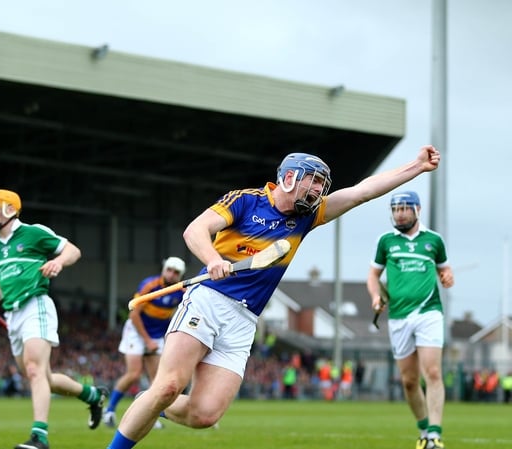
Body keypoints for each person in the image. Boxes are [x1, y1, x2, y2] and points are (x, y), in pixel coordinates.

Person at [104, 145, 442, 449]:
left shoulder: (306, 217)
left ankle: (145, 401)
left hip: (244, 321)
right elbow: (195, 230)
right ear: (289, 176)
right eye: (312, 181)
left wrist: (415, 166)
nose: (318, 190)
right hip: (208, 299)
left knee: (204, 414)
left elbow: (361, 193)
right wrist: (213, 260)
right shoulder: (244, 200)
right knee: (169, 386)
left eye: (322, 184)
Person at [0, 189, 108, 449]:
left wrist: (58, 262)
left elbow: (73, 251)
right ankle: (92, 395)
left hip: (35, 305)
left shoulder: (33, 233)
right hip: (12, 315)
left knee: (35, 370)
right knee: (42, 378)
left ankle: (40, 437)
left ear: (10, 208)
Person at [367, 190, 454, 449]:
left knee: (434, 373)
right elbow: (373, 276)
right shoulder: (386, 242)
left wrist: (448, 276)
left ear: (417, 210)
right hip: (399, 317)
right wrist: (375, 296)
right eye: (395, 209)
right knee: (409, 380)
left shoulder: (434, 241)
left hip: (429, 312)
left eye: (404, 208)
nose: (399, 213)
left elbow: (444, 269)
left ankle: (435, 435)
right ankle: (424, 429)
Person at [103, 256, 187, 429]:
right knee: (133, 374)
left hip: (156, 335)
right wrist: (147, 341)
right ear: (164, 269)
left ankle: (151, 416)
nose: (171, 274)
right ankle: (109, 411)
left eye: (176, 272)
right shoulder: (149, 285)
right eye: (169, 270)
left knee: (157, 380)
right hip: (136, 330)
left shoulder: (181, 291)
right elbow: (134, 314)